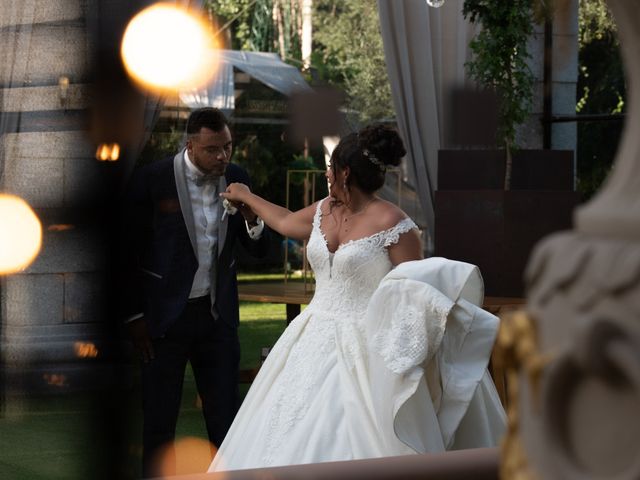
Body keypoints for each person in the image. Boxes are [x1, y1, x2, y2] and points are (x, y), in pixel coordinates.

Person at [208, 124, 506, 472]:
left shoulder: (393, 222)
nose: (327, 176)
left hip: (365, 345)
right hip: (311, 334)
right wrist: (246, 196)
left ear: (344, 172)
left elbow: (417, 290)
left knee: (353, 429)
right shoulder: (324, 210)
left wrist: (407, 351)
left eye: (330, 170)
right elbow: (287, 221)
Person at [122, 107, 270, 478]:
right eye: (213, 149)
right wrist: (135, 316)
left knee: (226, 422)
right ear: (190, 145)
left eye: (228, 147)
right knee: (159, 422)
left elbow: (258, 250)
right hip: (162, 322)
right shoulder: (151, 180)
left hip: (217, 319)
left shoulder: (236, 177)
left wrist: (251, 217)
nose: (223, 156)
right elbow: (125, 250)